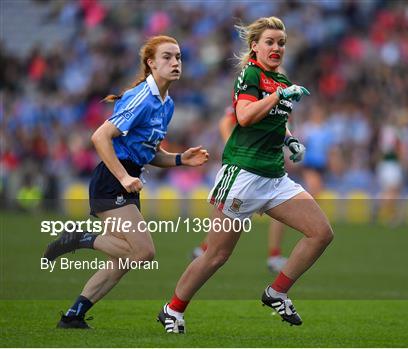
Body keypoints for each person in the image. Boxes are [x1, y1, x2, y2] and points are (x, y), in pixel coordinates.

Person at [157, 16, 334, 334]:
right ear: (255, 46)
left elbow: (276, 120)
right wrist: (279, 97)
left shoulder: (280, 79)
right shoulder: (250, 74)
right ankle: (172, 309)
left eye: (281, 42)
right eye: (270, 42)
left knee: (321, 233)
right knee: (216, 255)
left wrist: (290, 138)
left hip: (274, 178)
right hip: (242, 176)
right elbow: (244, 116)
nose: (277, 47)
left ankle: (276, 292)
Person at [42, 35, 209, 329]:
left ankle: (73, 316)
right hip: (112, 179)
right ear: (151, 63)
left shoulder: (166, 103)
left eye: (179, 57)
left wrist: (182, 159)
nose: (175, 63)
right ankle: (81, 238)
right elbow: (100, 137)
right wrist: (123, 176)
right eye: (167, 57)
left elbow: (150, 154)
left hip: (128, 179)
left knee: (122, 261)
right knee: (143, 252)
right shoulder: (143, 97)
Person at [191, 105, 289, 273]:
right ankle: (205, 249)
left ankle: (274, 256)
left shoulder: (281, 108)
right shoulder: (256, 96)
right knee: (233, 215)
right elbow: (226, 121)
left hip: (266, 171)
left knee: (240, 216)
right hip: (248, 171)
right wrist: (234, 147)